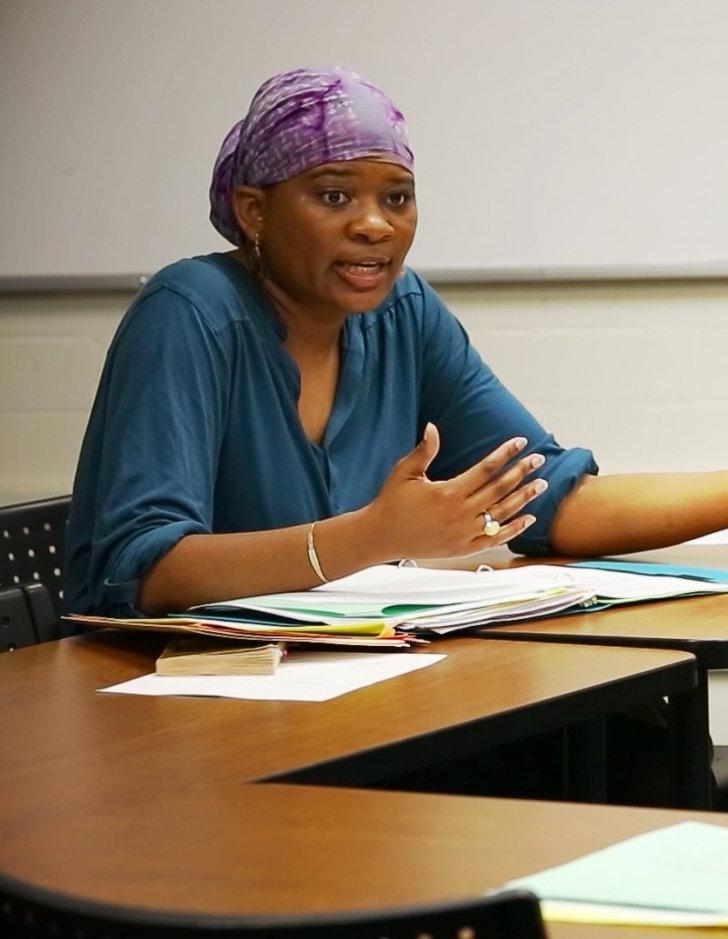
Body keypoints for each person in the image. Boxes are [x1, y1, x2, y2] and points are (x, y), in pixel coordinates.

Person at [65, 66, 728, 622]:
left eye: (398, 197)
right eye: (333, 196)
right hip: (172, 698)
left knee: (626, 724)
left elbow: (545, 498)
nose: (376, 225)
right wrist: (375, 534)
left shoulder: (403, 312)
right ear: (253, 210)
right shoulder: (190, 313)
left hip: (344, 678)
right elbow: (146, 571)